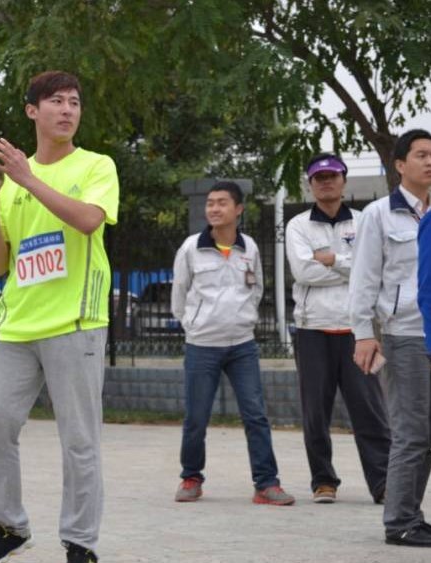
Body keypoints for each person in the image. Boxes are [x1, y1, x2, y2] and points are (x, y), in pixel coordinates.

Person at [0, 71, 119, 563]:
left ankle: (80, 542)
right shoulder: (8, 182)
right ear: (33, 111)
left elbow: (89, 220)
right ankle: (9, 527)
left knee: (79, 440)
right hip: (14, 326)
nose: (68, 110)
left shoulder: (96, 165)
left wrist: (28, 178)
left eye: (75, 102)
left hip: (76, 323)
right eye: (56, 101)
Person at [171, 181, 295, 506]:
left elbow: (257, 288)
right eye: (210, 203)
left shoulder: (248, 247)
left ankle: (266, 484)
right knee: (196, 417)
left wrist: (244, 319)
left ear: (238, 209)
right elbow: (179, 294)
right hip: (202, 345)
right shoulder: (191, 248)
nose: (214, 208)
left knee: (256, 415)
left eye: (222, 203)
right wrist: (193, 325)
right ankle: (191, 477)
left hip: (242, 345)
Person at [286, 153, 390, 504]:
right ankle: (323, 481)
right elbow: (303, 272)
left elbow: (376, 268)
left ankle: (383, 483)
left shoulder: (365, 221)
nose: (326, 182)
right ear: (310, 184)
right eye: (319, 178)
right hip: (312, 329)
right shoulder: (298, 225)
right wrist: (353, 266)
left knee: (370, 410)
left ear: (344, 180)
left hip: (358, 332)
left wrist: (331, 259)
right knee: (316, 412)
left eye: (332, 176)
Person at [350, 129, 431, 547]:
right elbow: (363, 277)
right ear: (399, 165)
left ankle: (411, 515)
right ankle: (399, 521)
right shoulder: (379, 214)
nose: (430, 162)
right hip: (405, 335)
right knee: (412, 432)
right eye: (421, 155)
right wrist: (364, 333)